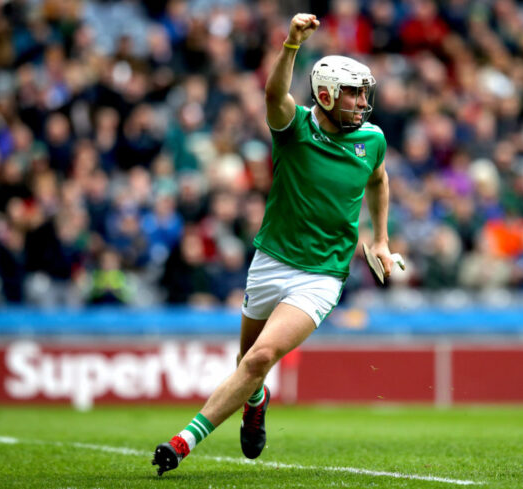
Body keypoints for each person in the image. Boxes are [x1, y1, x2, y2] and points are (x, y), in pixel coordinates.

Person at [151, 13, 394, 475]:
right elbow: (273, 95)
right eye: (353, 93)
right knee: (247, 362)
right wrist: (291, 44)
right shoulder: (295, 127)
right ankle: (256, 399)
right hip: (271, 261)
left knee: (261, 356)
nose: (363, 103)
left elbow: (379, 180)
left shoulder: (372, 139)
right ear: (326, 94)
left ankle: (182, 443)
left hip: (322, 275)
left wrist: (380, 239)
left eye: (365, 93)